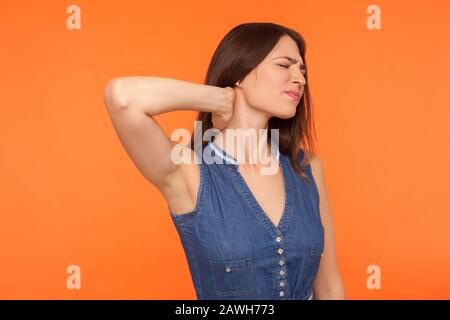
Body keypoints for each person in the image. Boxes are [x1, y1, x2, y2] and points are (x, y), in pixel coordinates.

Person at [102, 22, 346, 300]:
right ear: (240, 71)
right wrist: (218, 97)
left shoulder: (307, 167)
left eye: (302, 70)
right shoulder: (189, 171)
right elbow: (121, 96)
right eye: (284, 65)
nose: (300, 79)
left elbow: (328, 286)